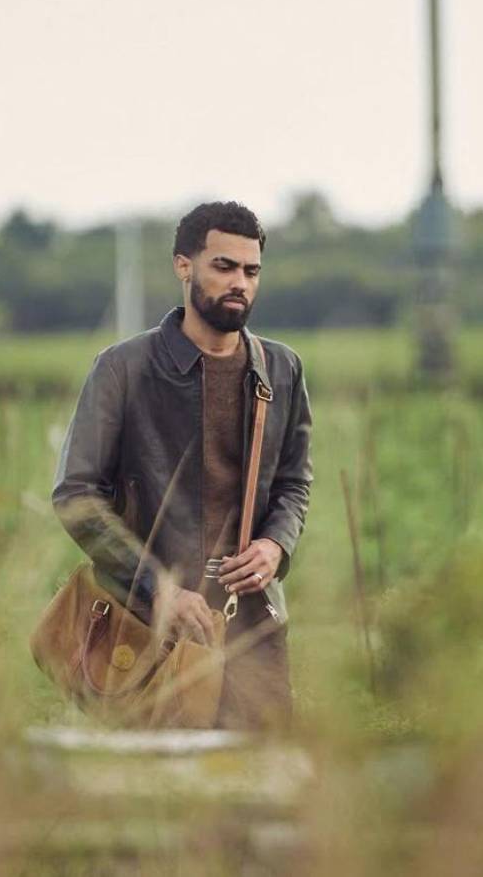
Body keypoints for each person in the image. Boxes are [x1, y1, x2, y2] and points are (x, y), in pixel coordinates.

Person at [50, 201, 313, 730]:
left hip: (253, 628)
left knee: (265, 787)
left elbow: (293, 482)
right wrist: (158, 587)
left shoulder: (280, 368)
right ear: (183, 265)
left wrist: (275, 543)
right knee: (151, 793)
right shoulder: (123, 369)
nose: (240, 281)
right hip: (146, 631)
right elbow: (76, 496)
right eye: (224, 266)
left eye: (251, 270)